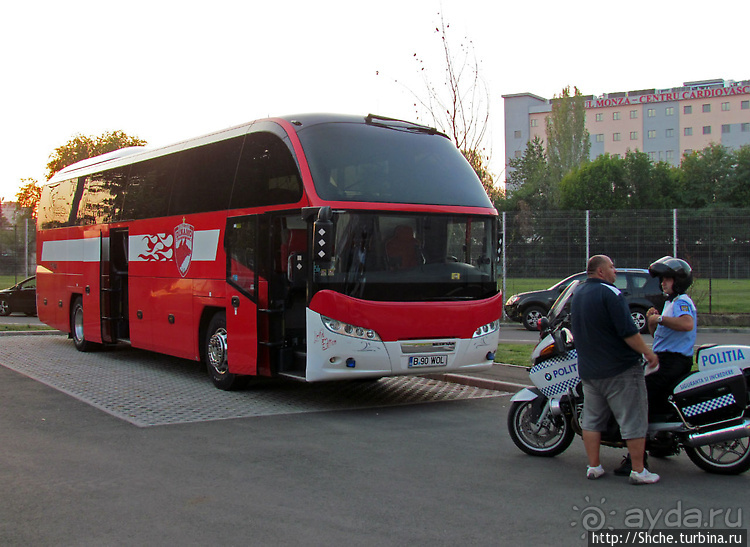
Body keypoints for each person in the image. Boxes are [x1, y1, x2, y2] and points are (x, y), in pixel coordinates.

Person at [570, 255, 661, 485]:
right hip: (620, 369)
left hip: (590, 371)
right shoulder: (611, 293)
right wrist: (648, 353)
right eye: (612, 267)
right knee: (633, 419)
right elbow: (628, 331)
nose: (615, 271)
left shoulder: (578, 293)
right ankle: (639, 471)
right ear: (600, 271)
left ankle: (594, 466)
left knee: (591, 420)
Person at [614, 256, 697, 474]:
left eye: (667, 279)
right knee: (655, 401)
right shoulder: (670, 303)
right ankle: (662, 439)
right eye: (662, 280)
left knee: (639, 401)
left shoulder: (682, 302)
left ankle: (637, 460)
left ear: (678, 281)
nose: (663, 283)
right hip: (666, 358)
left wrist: (659, 319)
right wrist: (653, 321)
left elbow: (687, 324)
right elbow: (661, 336)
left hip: (673, 361)